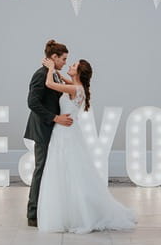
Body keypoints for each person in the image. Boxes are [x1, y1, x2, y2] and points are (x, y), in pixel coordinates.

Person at [37, 57, 135, 234]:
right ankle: (74, 211)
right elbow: (64, 81)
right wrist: (57, 70)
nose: (70, 65)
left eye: (73, 65)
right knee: (70, 171)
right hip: (66, 132)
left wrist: (51, 68)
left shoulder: (75, 88)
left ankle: (78, 213)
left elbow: (50, 84)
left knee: (67, 170)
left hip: (65, 133)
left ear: (79, 73)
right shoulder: (76, 87)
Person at [24, 40, 73, 227]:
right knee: (40, 169)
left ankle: (46, 209)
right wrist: (55, 118)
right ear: (54, 57)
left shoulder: (53, 75)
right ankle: (33, 214)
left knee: (48, 170)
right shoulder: (40, 75)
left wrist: (55, 70)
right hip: (43, 129)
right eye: (63, 59)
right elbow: (32, 103)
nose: (65, 63)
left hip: (53, 129)